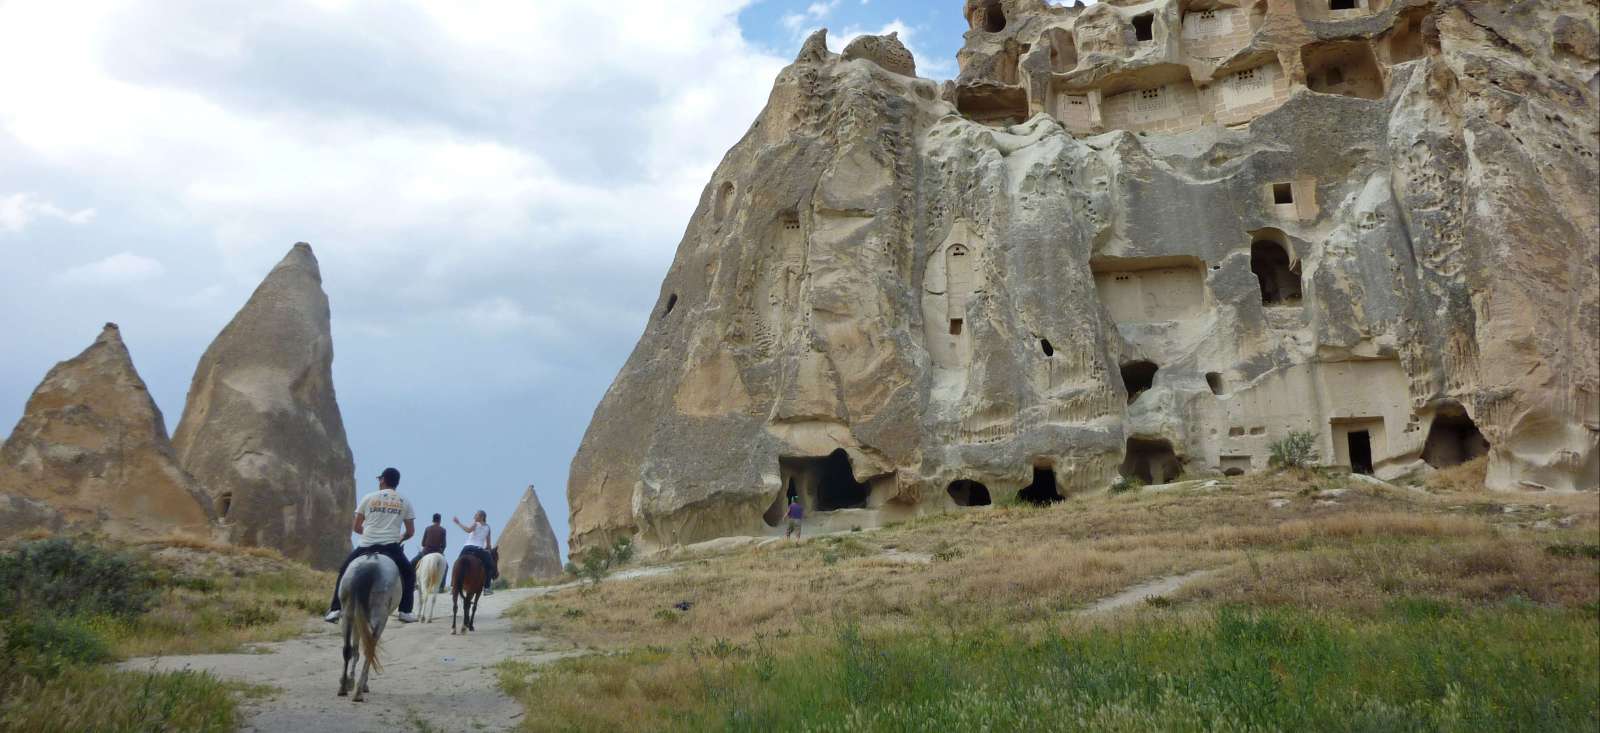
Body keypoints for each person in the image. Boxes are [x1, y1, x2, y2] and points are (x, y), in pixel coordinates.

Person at [325, 468, 419, 624]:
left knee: (343, 570)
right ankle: (405, 611)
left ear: (383, 480)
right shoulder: (405, 501)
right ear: (397, 482)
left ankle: (335, 609)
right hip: (391, 547)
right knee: (409, 574)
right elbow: (410, 531)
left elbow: (356, 527)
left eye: (379, 479)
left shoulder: (368, 498)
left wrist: (370, 533)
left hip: (366, 544)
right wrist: (400, 537)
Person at [453, 510, 498, 594]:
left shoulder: (476, 524)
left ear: (481, 517)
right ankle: (487, 588)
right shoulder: (488, 527)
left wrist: (458, 523)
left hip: (467, 547)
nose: (474, 517)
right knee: (489, 565)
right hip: (479, 550)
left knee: (457, 563)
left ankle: (454, 585)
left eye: (476, 515)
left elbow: (468, 530)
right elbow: (488, 544)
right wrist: (488, 551)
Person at [411, 513, 448, 593]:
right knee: (446, 567)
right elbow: (444, 545)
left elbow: (423, 543)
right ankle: (441, 587)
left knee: (412, 563)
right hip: (437, 552)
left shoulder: (428, 528)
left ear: (433, 520)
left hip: (426, 552)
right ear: (440, 521)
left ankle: (412, 582)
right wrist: (441, 552)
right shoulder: (443, 530)